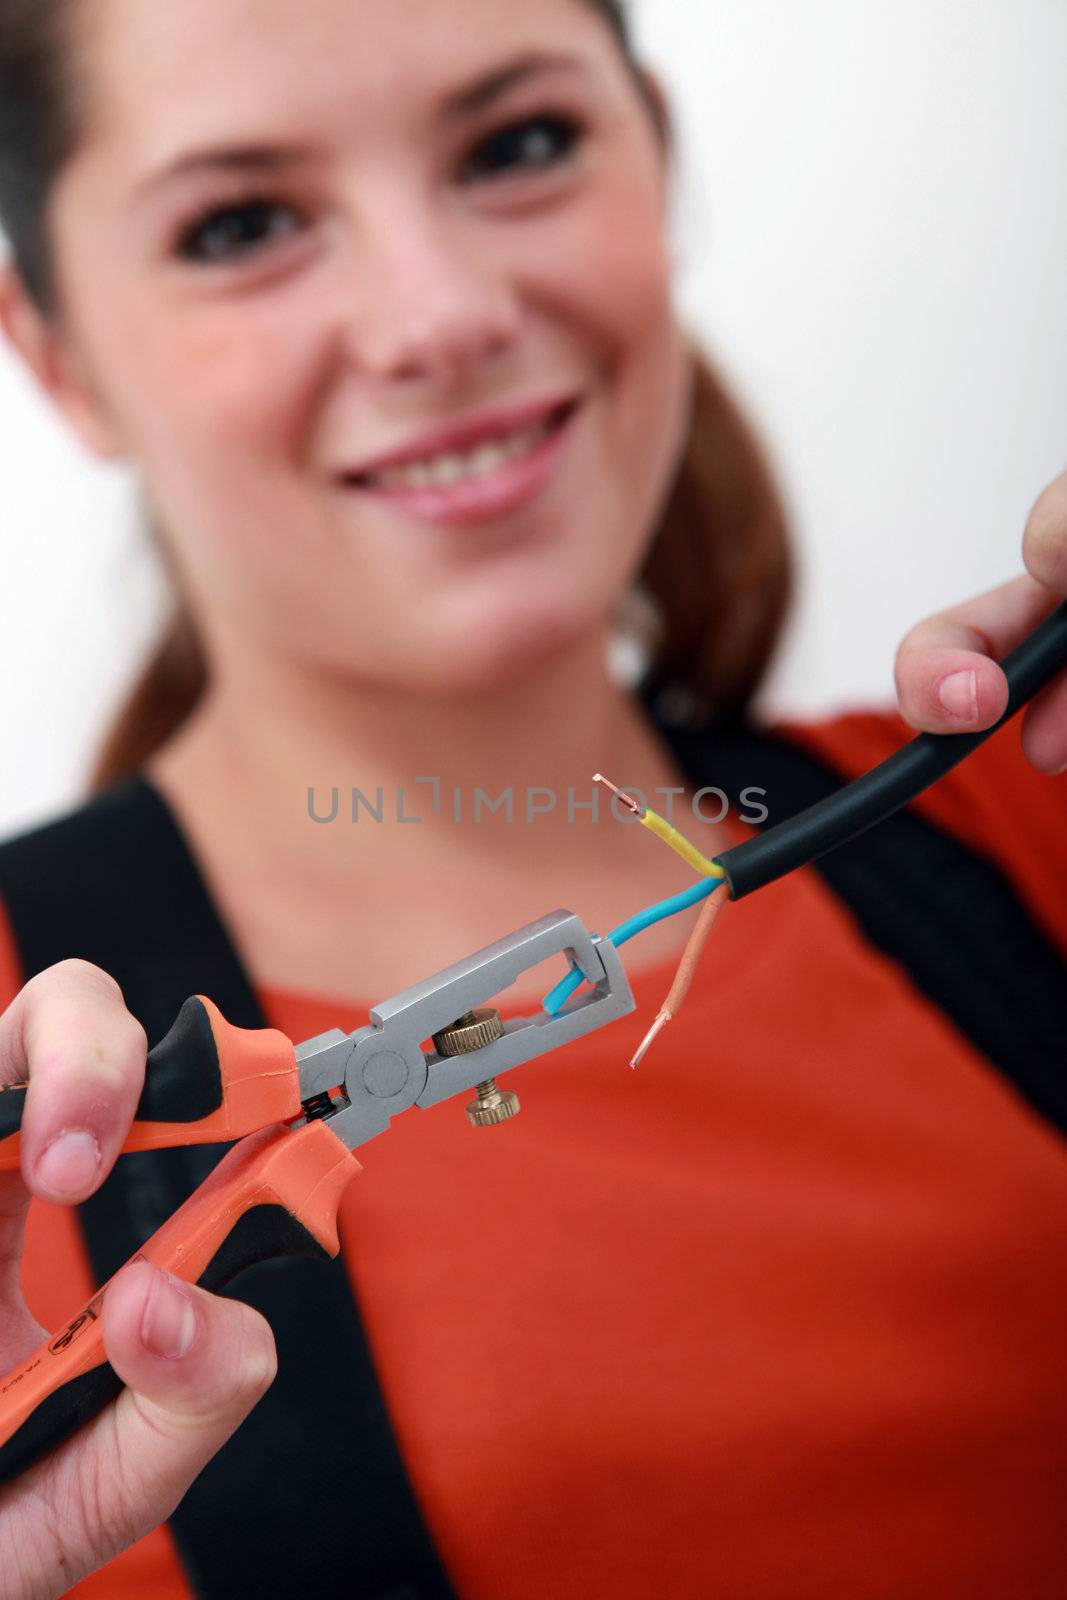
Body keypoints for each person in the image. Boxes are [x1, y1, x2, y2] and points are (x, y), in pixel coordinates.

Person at [0, 1, 1064, 1595]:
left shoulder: (1025, 812)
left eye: (520, 145)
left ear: (655, 155)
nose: (441, 316)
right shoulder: (27, 1093)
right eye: (242, 223)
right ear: (58, 353)